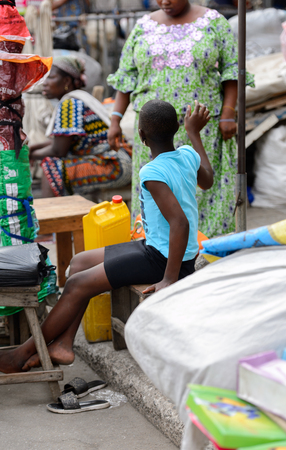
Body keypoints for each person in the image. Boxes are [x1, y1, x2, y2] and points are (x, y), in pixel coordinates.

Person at [0, 99, 213, 374]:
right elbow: (207, 180)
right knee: (78, 262)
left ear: (141, 136)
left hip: (164, 259)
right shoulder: (187, 154)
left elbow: (180, 224)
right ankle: (63, 344)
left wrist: (169, 279)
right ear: (176, 129)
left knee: (76, 284)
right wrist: (194, 134)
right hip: (157, 248)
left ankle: (25, 352)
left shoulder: (152, 171)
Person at [107, 0, 254, 238]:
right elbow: (126, 77)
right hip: (152, 133)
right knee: (158, 189)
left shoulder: (214, 22)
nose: (164, 1)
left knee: (201, 189)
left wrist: (228, 112)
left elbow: (232, 70)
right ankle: (157, 251)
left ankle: (206, 252)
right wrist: (115, 120)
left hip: (200, 126)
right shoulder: (143, 26)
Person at [29, 55, 132, 198]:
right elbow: (60, 141)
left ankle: (52, 216)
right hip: (118, 161)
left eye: (50, 78)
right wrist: (31, 148)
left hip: (113, 165)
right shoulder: (78, 99)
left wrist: (28, 154)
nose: (44, 83)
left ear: (66, 81)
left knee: (52, 166)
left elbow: (59, 150)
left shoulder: (69, 105)